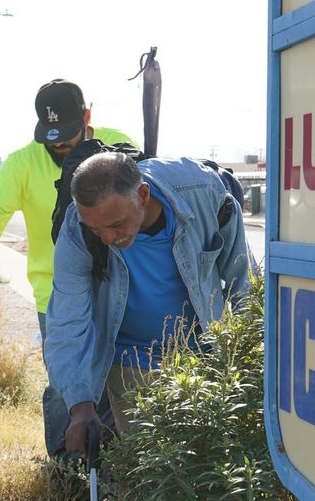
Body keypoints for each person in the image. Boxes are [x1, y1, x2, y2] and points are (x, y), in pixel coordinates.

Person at [0, 79, 132, 457]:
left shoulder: (117, 146)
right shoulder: (23, 162)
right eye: (50, 136)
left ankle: (111, 477)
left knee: (115, 383)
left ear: (87, 118)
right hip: (54, 295)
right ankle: (65, 473)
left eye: (67, 135)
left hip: (116, 291)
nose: (58, 145)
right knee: (66, 386)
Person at [45, 152, 252, 456]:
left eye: (116, 224)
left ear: (143, 195)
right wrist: (81, 407)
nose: (105, 238)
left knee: (209, 469)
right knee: (149, 476)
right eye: (96, 229)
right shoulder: (77, 227)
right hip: (130, 363)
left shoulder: (205, 194)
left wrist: (252, 363)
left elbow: (244, 284)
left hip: (205, 358)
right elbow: (66, 321)